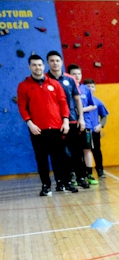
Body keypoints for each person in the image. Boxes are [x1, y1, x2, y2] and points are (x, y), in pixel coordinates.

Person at [17, 54, 72, 196]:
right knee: (41, 159)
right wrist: (30, 123)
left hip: (56, 127)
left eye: (39, 65)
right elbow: (22, 107)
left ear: (43, 66)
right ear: (29, 67)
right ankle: (46, 185)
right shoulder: (24, 86)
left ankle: (61, 183)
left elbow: (63, 103)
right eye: (34, 65)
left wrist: (65, 121)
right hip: (37, 129)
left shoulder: (54, 84)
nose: (37, 67)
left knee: (59, 158)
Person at [46, 52, 86, 189]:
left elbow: (77, 100)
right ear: (48, 63)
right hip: (54, 123)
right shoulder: (45, 80)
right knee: (57, 154)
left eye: (57, 60)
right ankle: (61, 181)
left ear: (62, 62)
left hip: (72, 121)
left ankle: (81, 177)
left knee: (76, 151)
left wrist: (81, 118)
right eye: (52, 61)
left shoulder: (70, 79)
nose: (55, 63)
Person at [71, 66, 98, 185]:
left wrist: (80, 110)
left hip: (86, 124)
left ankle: (89, 174)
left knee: (87, 149)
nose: (77, 76)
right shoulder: (67, 87)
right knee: (74, 150)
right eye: (74, 74)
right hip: (71, 124)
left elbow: (93, 105)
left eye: (79, 73)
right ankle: (77, 175)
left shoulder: (85, 89)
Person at [83, 79, 108, 178]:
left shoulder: (98, 102)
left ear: (95, 88)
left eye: (92, 86)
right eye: (88, 86)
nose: (90, 88)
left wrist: (100, 125)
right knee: (84, 151)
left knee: (97, 150)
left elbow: (104, 115)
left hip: (95, 130)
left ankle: (100, 170)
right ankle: (86, 171)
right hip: (84, 130)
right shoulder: (81, 101)